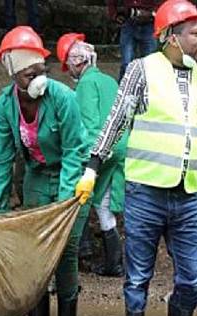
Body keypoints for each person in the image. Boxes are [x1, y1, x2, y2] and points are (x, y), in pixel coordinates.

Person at [75, 0, 197, 316]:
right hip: (145, 195)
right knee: (137, 280)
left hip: (186, 197)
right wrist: (92, 169)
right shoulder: (141, 70)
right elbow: (115, 122)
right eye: (196, 33)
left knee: (191, 281)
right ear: (172, 36)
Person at [0, 26, 89, 316]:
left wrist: (63, 206)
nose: (36, 79)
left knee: (65, 252)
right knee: (35, 255)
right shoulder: (6, 106)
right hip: (35, 177)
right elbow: (2, 161)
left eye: (40, 71)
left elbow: (76, 149)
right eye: (28, 73)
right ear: (13, 73)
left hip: (71, 179)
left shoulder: (63, 97)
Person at [56, 33, 127, 277]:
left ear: (77, 62)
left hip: (101, 149)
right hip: (121, 145)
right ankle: (113, 262)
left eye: (69, 66)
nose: (69, 72)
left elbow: (90, 125)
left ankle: (82, 249)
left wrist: (86, 161)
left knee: (81, 194)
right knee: (103, 200)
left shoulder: (86, 84)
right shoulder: (108, 80)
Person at [106, 0, 163, 81]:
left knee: (149, 63)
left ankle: (148, 89)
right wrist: (114, 15)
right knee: (126, 63)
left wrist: (152, 13)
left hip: (149, 23)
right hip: (129, 21)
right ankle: (124, 90)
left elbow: (163, 3)